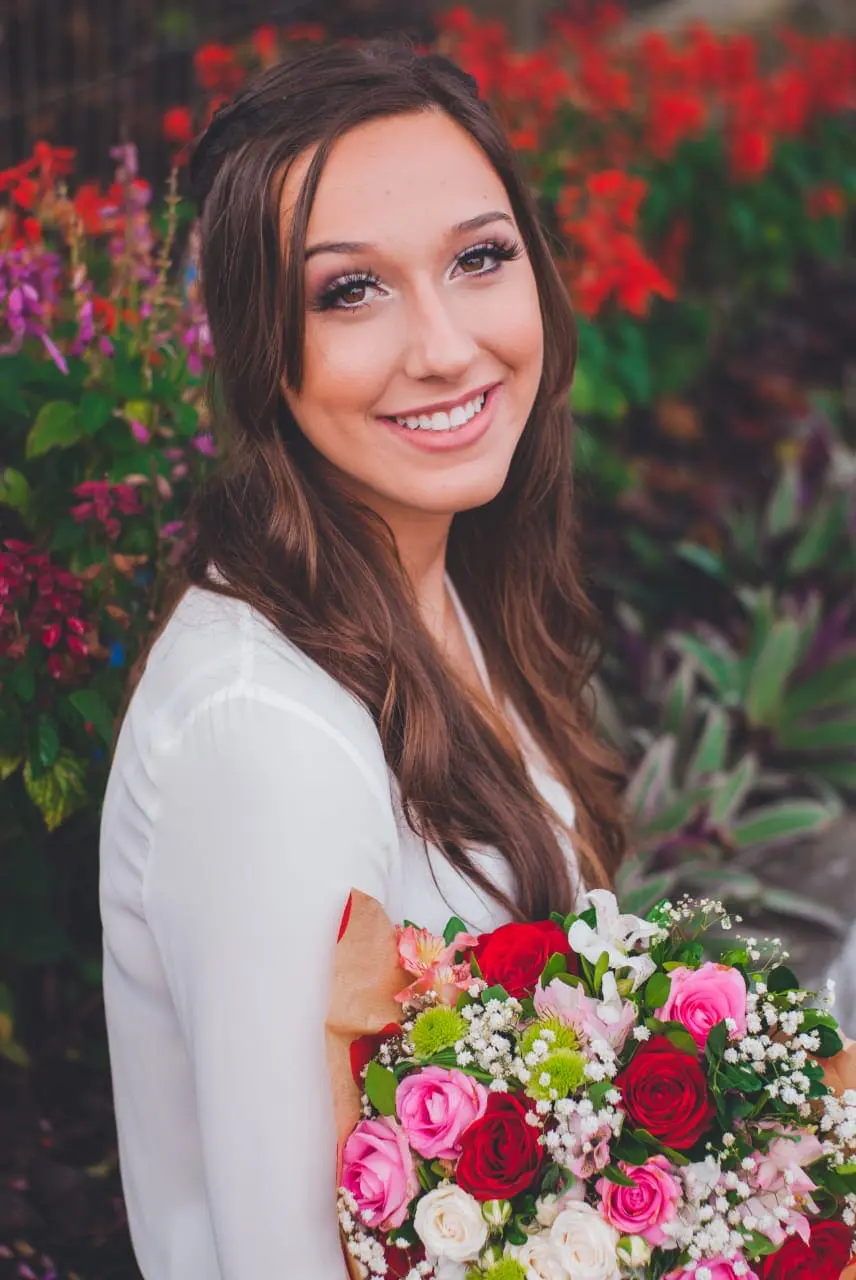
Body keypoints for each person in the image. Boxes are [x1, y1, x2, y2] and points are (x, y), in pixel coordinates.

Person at [99, 40, 629, 1280]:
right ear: (257, 351)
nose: (445, 347)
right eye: (350, 292)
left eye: (478, 258)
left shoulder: (450, 586)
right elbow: (294, 1255)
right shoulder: (263, 736)